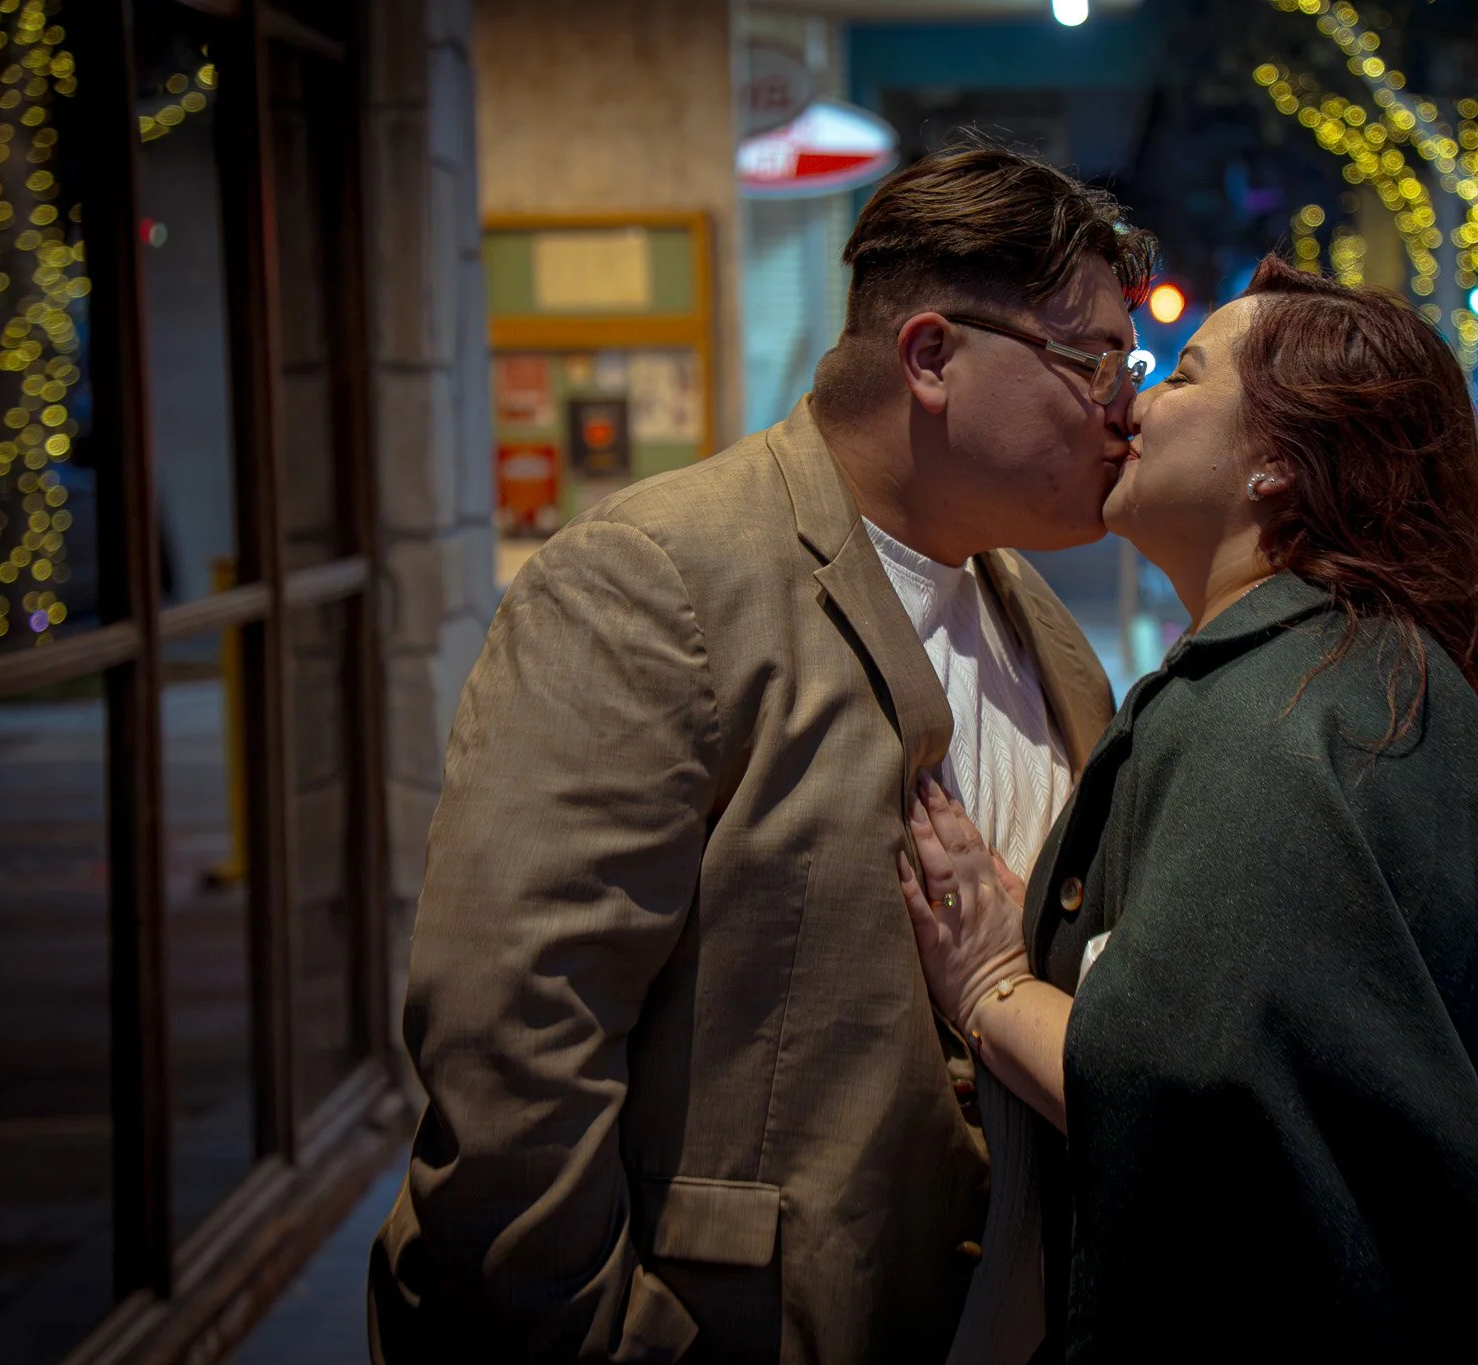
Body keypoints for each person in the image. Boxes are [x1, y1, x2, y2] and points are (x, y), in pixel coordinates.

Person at [368, 146, 1157, 1364]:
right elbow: (511, 1037)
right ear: (932, 357)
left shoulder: (1047, 636)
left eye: (1131, 365)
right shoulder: (659, 576)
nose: (1125, 402)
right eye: (1089, 359)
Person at [899, 258, 1478, 1361]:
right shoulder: (1368, 672)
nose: (1134, 404)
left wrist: (990, 984)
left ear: (1275, 470)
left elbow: (1190, 1097)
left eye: (1184, 375)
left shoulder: (1270, 719)